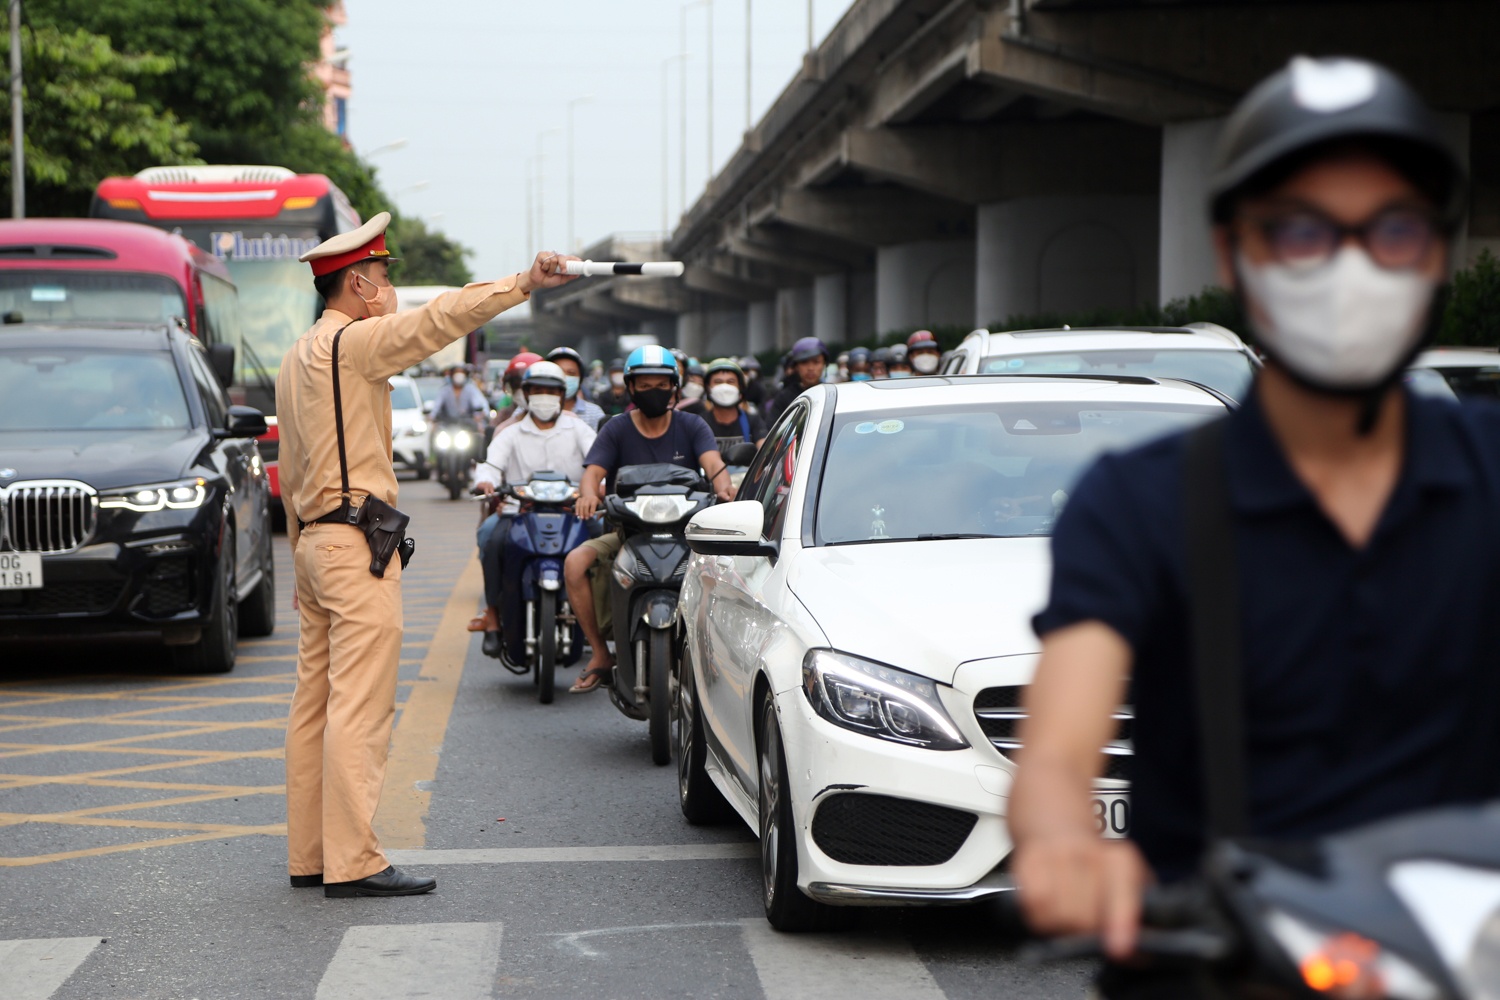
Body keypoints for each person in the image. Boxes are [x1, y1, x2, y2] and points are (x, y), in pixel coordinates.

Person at [1006, 57, 1490, 998]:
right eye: (1301, 231)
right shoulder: (1143, 503)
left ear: (1436, 251)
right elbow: (1059, 752)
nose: (1348, 265)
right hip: (1221, 969)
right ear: (1234, 253)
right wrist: (1067, 844)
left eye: (1391, 228)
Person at [277, 211, 576, 898]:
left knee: (314, 706)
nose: (390, 292)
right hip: (355, 547)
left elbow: (292, 466)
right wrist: (522, 282)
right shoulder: (354, 344)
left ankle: (311, 854)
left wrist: (299, 555)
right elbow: (440, 319)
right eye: (383, 278)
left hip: (319, 545)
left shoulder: (299, 355)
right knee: (359, 708)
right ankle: (354, 862)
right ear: (356, 281)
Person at [563, 345, 734, 694]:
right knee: (574, 563)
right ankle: (599, 654)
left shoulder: (692, 425)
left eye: (660, 384)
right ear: (630, 388)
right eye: (644, 385)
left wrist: (725, 488)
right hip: (627, 534)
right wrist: (588, 494)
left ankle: (717, 651)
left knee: (727, 574)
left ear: (674, 387)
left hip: (688, 536)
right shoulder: (616, 428)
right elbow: (592, 472)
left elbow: (714, 466)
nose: (653, 391)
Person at [468, 361, 596, 656]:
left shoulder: (578, 428)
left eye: (551, 391)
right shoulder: (511, 433)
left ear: (562, 394)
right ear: (525, 394)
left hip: (573, 513)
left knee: (607, 545)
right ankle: (494, 618)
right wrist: (486, 482)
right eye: (537, 390)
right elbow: (489, 465)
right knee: (489, 539)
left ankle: (602, 622)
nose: (544, 396)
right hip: (518, 514)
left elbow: (598, 462)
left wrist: (599, 488)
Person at [682, 358, 768, 455]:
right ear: (708, 388)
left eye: (730, 382)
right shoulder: (698, 424)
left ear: (740, 387)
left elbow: (765, 452)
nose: (724, 387)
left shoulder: (753, 422)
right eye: (718, 382)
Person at [765, 337, 828, 422]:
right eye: (804, 362)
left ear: (824, 364)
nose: (810, 368)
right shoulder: (783, 398)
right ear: (796, 366)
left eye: (816, 362)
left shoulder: (831, 394)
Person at [546, 346, 606, 430]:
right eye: (559, 372)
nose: (564, 377)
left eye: (571, 373)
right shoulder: (532, 409)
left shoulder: (594, 414)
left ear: (580, 379)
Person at [491, 351, 543, 433]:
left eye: (530, 386)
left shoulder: (564, 421)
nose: (522, 391)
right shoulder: (504, 419)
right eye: (516, 384)